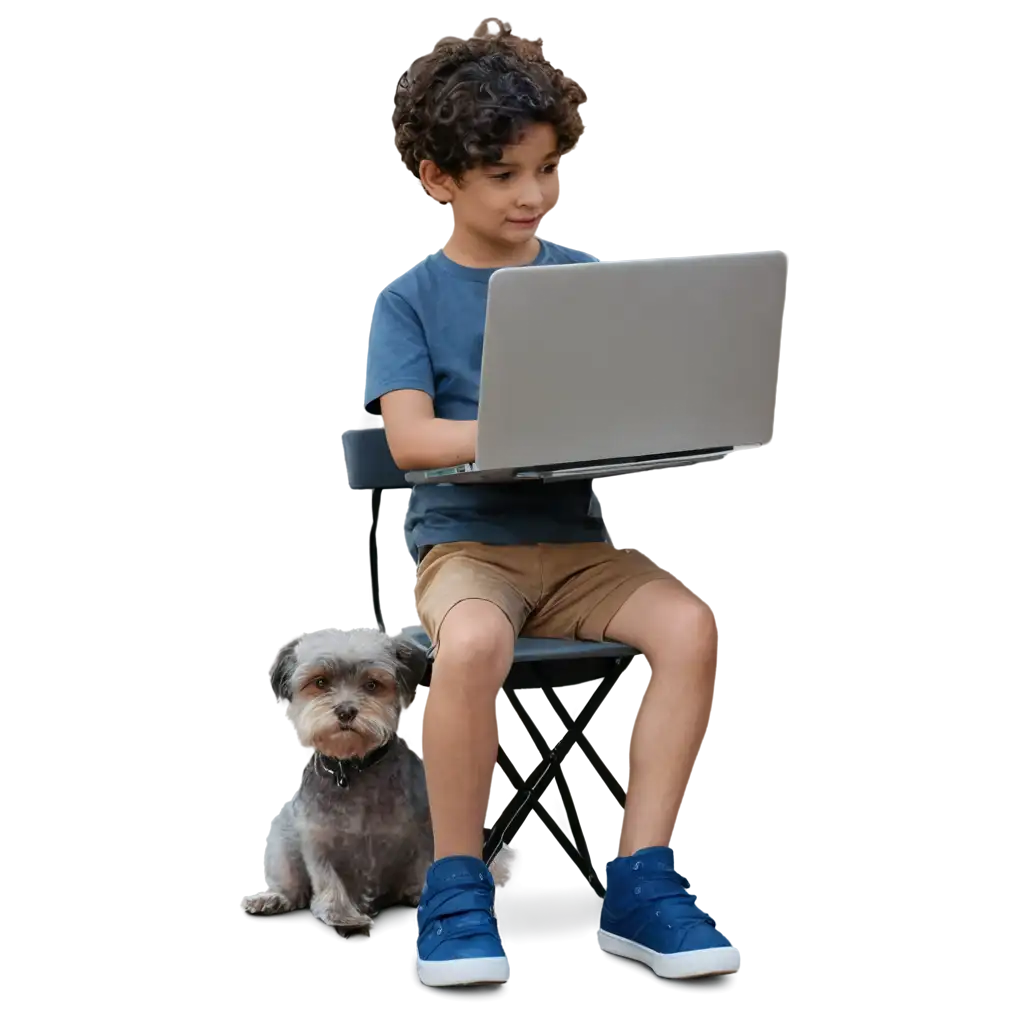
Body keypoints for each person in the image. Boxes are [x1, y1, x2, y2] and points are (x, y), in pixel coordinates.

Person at [361, 23, 742, 989]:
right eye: (502, 175)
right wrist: (522, 431)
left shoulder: (580, 282)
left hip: (574, 557)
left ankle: (643, 886)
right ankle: (456, 888)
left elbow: (621, 414)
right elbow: (412, 441)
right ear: (439, 178)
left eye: (546, 168)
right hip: (468, 552)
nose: (532, 193)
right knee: (477, 645)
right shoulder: (408, 301)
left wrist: (683, 419)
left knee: (689, 624)